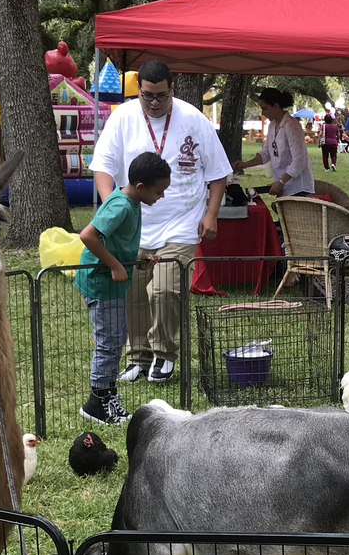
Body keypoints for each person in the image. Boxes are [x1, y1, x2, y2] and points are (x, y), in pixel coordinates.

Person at [93, 58, 232, 385]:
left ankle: (164, 354)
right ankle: (138, 357)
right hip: (134, 225)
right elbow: (103, 166)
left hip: (181, 222)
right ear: (137, 90)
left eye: (162, 96)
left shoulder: (193, 120)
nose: (155, 103)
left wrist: (210, 213)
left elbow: (218, 173)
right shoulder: (122, 118)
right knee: (134, 292)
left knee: (165, 289)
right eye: (147, 96)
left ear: (172, 89)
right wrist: (111, 206)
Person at [76, 152, 173, 424]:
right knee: (109, 343)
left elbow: (116, 242)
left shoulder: (133, 201)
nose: (161, 196)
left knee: (116, 339)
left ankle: (108, 396)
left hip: (112, 283)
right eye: (159, 191)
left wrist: (135, 261)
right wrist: (116, 267)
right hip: (100, 282)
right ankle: (97, 402)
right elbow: (88, 236)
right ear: (141, 187)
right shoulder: (121, 205)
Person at [233, 88, 314, 196]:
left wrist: (281, 182)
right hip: (283, 186)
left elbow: (299, 161)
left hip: (298, 188)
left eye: (265, 109)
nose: (263, 113)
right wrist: (245, 164)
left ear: (276, 106)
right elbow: (265, 153)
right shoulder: (272, 126)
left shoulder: (292, 125)